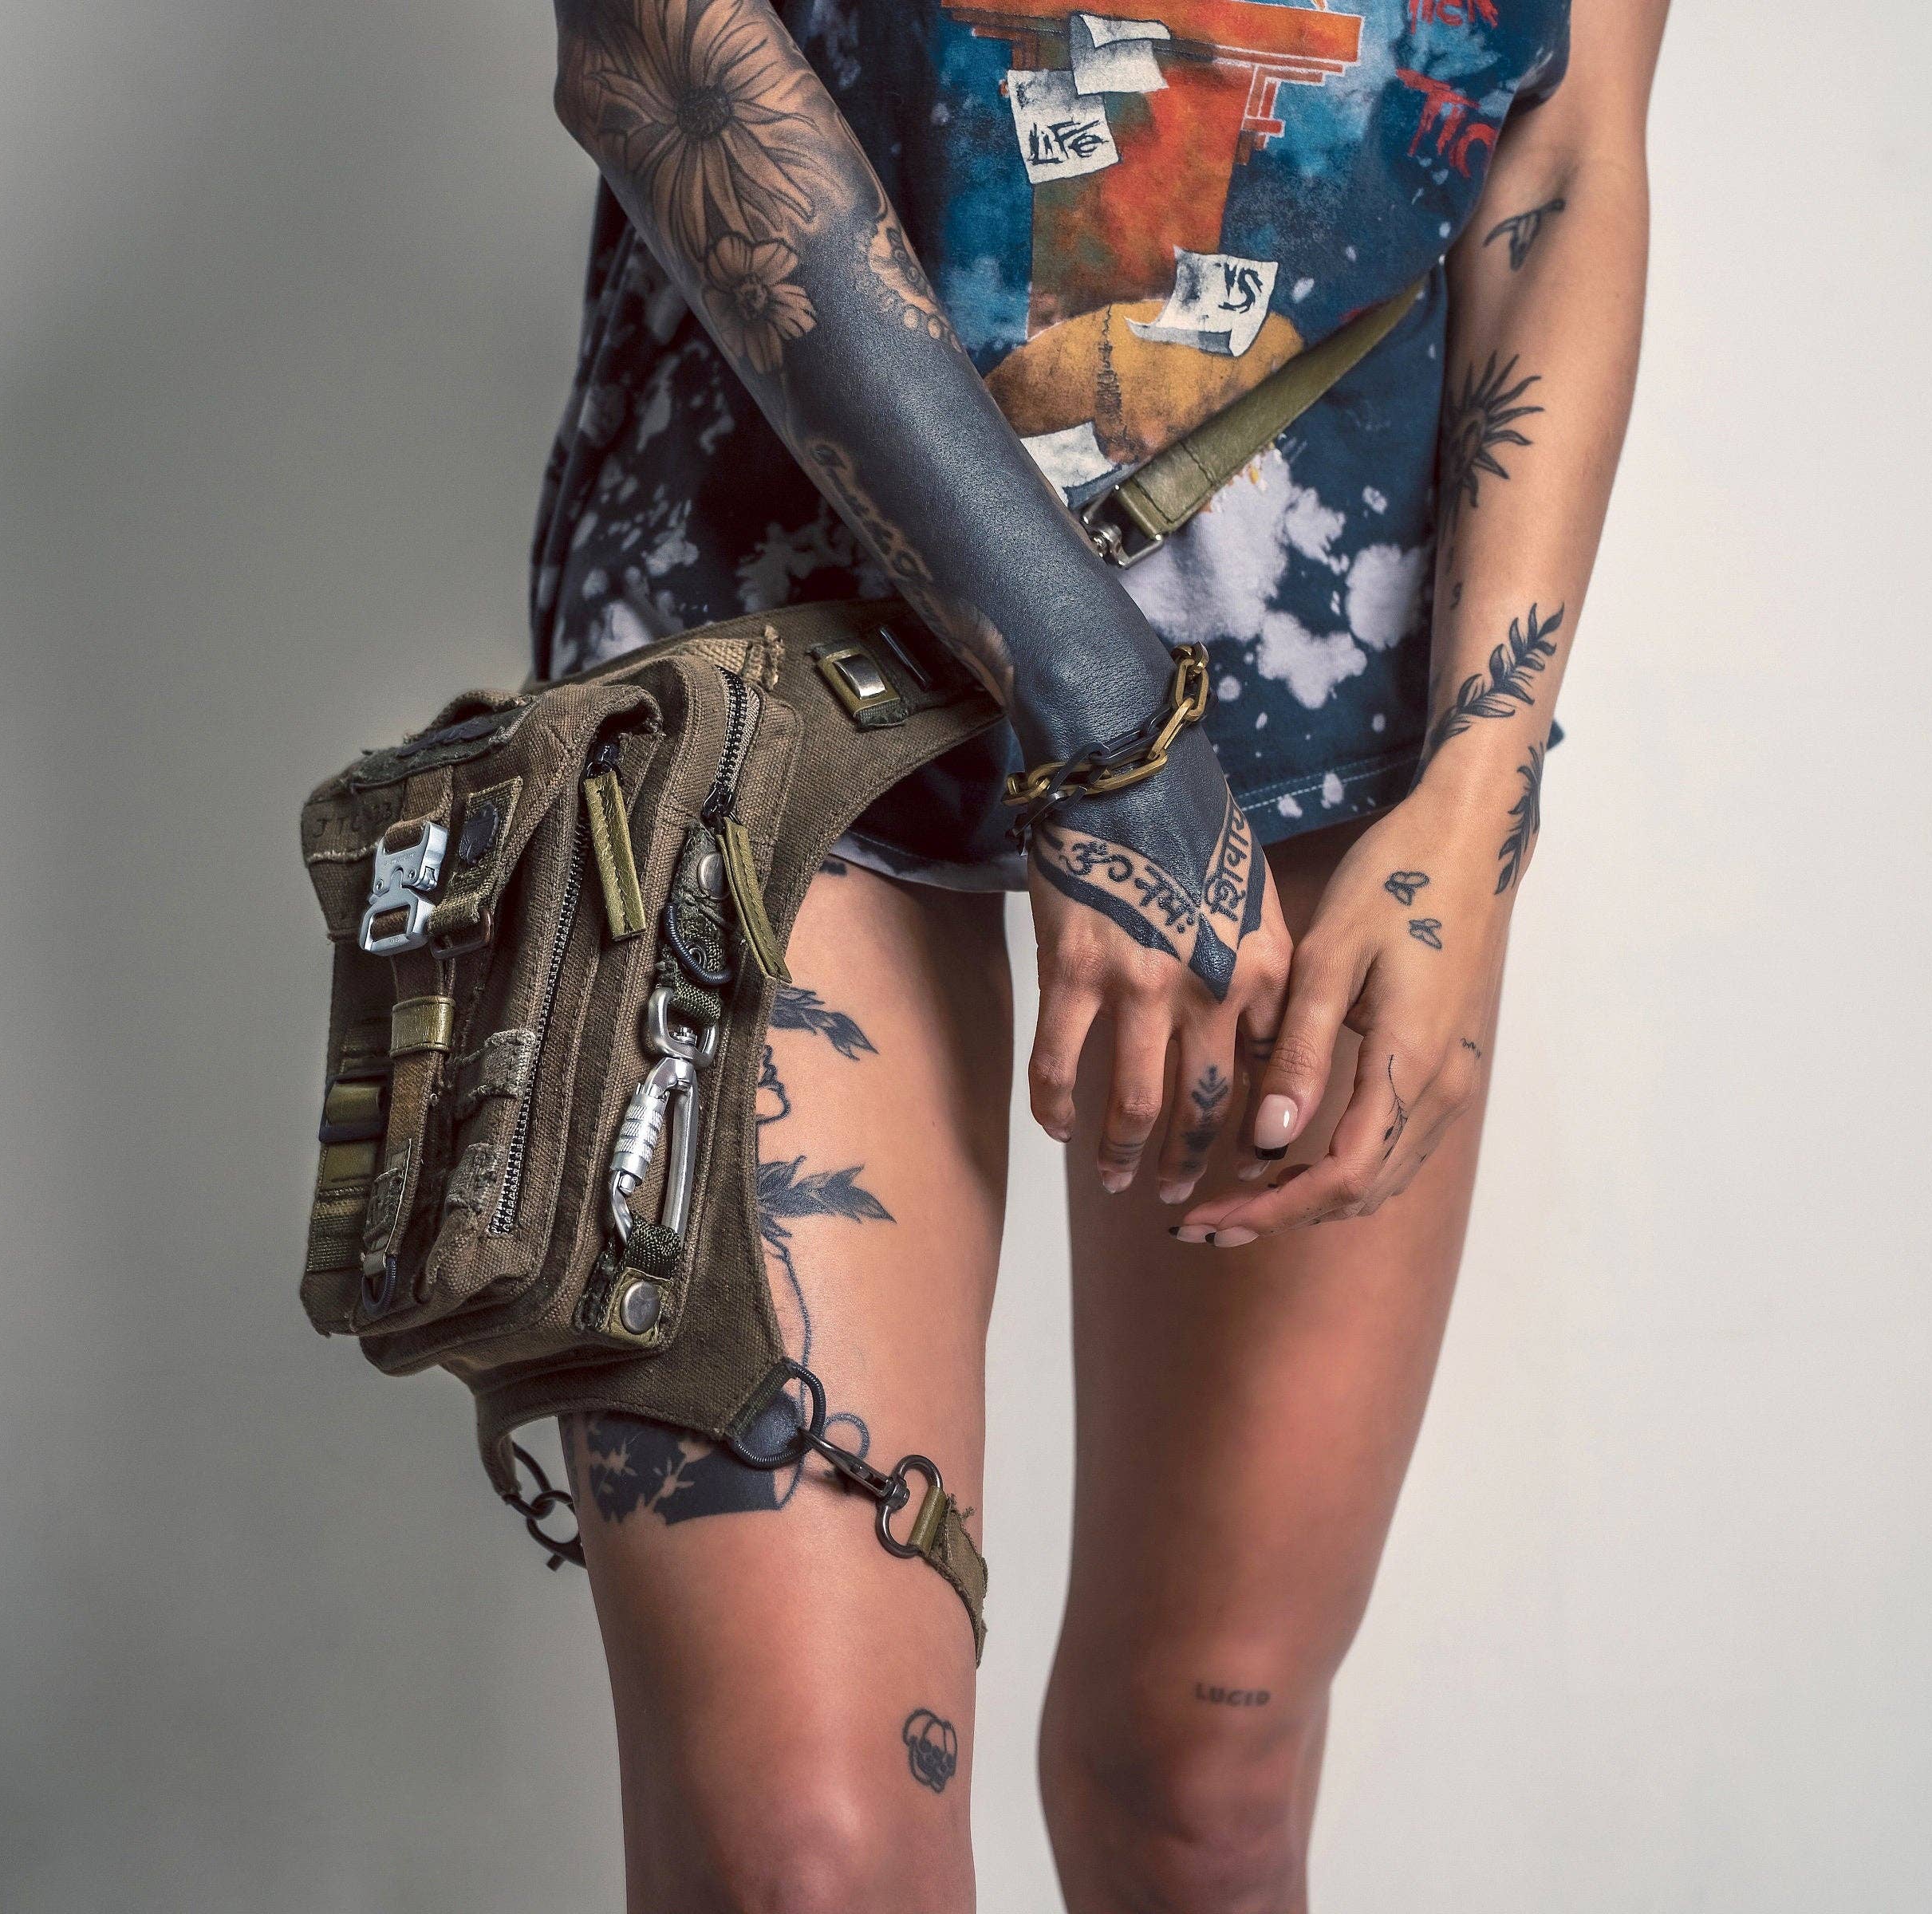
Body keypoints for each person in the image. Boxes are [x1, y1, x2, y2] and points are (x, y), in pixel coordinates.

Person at [531, 0, 1666, 1904]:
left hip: (1320, 681)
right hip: (768, 628)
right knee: (804, 1859)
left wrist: (1482, 802)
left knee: (1198, 1789)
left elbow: (1568, 149)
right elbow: (655, 51)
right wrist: (1102, 723)